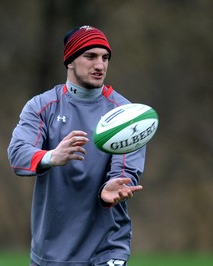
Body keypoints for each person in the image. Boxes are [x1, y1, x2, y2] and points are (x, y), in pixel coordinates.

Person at [8, 25, 146, 266]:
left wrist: (114, 187)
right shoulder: (42, 106)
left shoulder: (125, 115)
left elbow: (126, 171)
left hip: (107, 246)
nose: (100, 65)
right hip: (51, 249)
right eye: (90, 56)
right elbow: (18, 155)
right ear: (70, 61)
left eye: (105, 58)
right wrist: (52, 156)